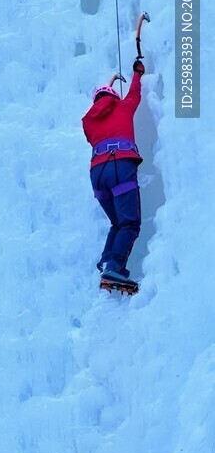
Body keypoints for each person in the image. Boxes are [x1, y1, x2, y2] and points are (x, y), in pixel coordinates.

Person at [82, 59, 145, 284]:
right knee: (130, 223)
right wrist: (137, 73)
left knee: (118, 222)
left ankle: (106, 262)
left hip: (97, 173)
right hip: (120, 165)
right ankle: (114, 267)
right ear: (113, 97)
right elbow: (135, 95)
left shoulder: (88, 120)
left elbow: (93, 135)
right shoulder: (123, 106)